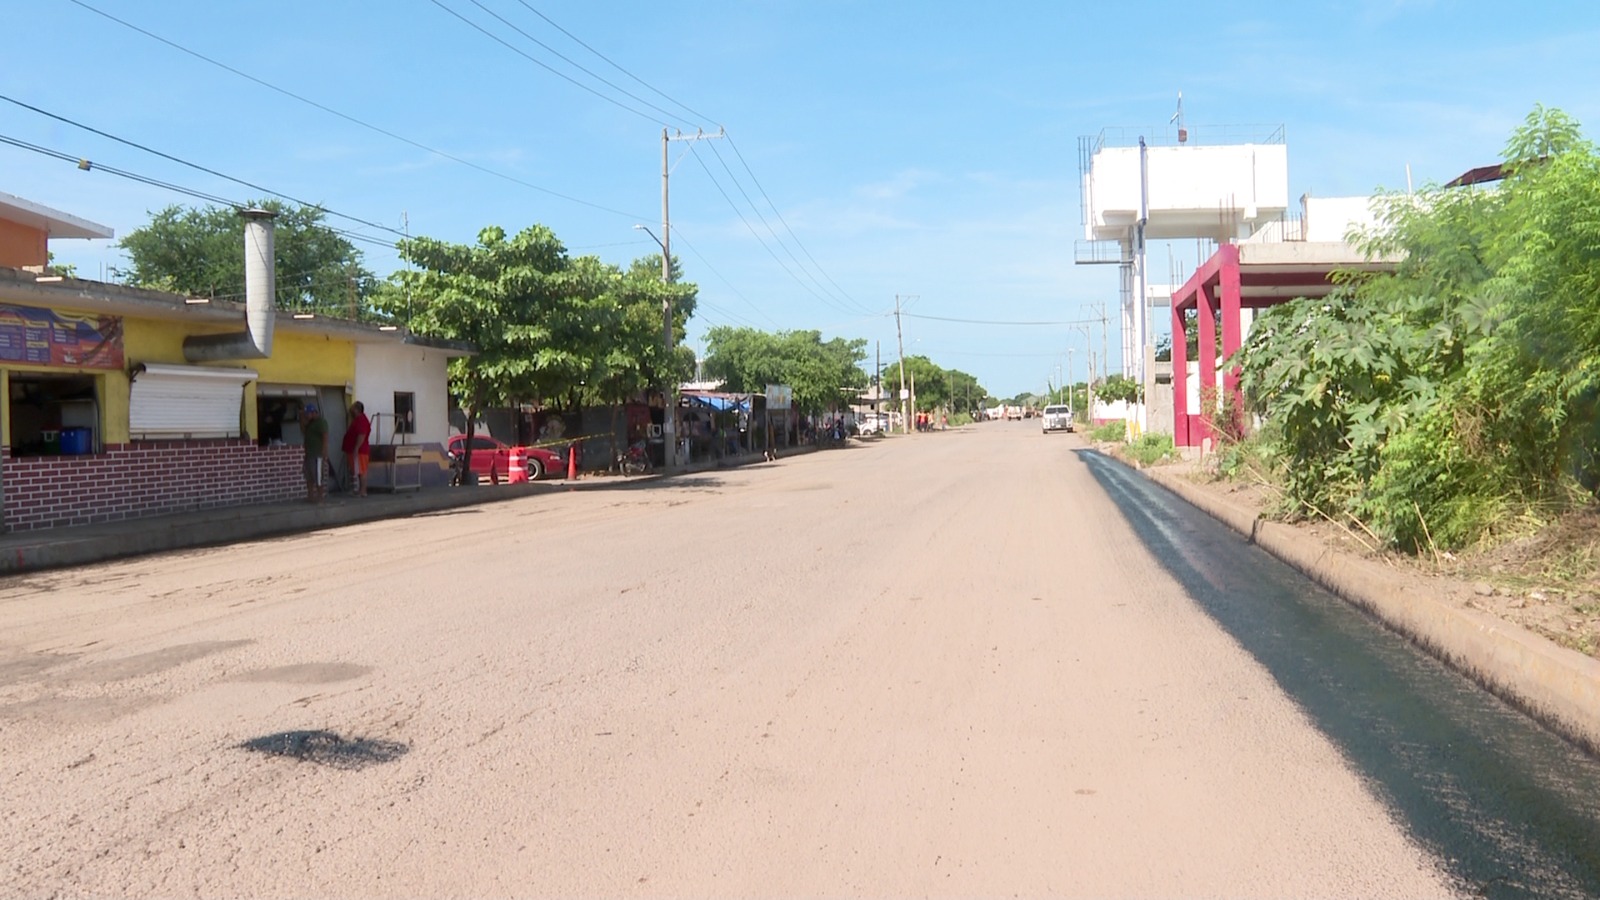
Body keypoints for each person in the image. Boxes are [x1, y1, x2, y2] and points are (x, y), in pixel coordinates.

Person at [341, 400, 371, 496]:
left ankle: (363, 491)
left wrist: (356, 448)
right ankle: (361, 490)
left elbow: (361, 435)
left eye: (353, 408)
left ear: (357, 409)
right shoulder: (357, 420)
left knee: (361, 471)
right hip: (357, 450)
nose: (351, 410)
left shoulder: (361, 420)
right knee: (359, 471)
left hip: (360, 451)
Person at [301, 402, 329, 503]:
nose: (306, 416)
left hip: (317, 455)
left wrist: (324, 452)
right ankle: (310, 496)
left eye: (307, 414)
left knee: (318, 477)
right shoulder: (310, 424)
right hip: (309, 454)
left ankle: (320, 497)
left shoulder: (321, 422)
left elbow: (325, 437)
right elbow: (303, 431)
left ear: (313, 412)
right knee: (309, 476)